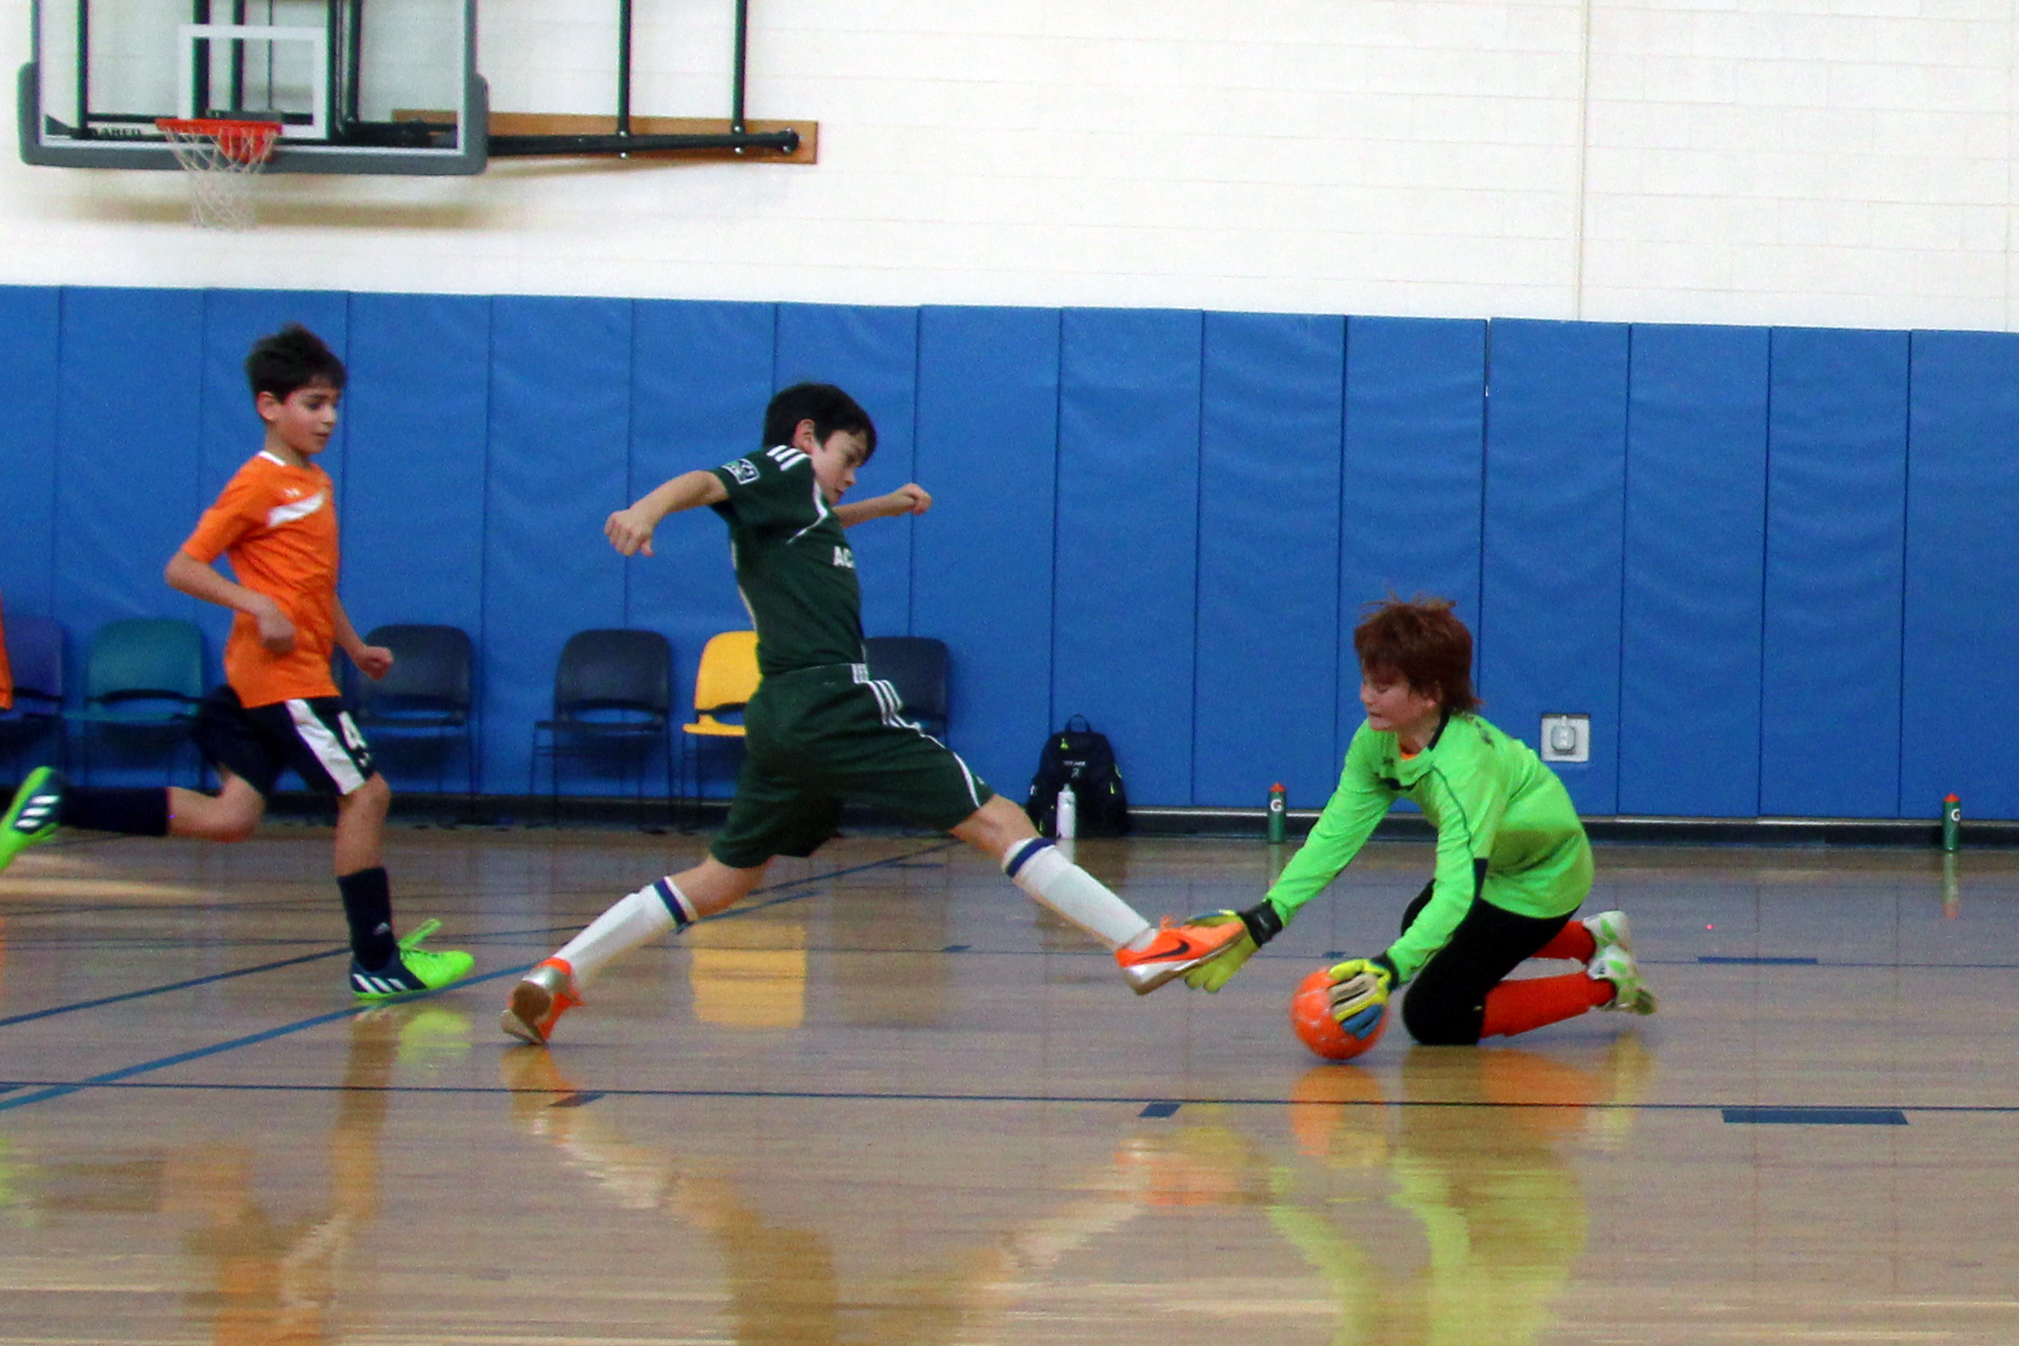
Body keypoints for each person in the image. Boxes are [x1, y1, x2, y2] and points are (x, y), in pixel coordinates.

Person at [500, 382, 1240, 1044]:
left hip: (781, 715)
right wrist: (646, 507)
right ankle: (1141, 943)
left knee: (722, 877)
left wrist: (879, 508)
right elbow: (708, 480)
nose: (852, 474)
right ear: (803, 438)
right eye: (847, 456)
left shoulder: (795, 512)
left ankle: (562, 972)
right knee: (998, 820)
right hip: (831, 700)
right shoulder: (780, 469)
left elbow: (818, 522)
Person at [0, 324, 472, 1001]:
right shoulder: (258, 484)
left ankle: (56, 802)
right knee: (366, 795)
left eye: (335, 403)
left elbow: (312, 585)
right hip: (285, 683)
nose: (329, 417)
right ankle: (376, 960)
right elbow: (183, 568)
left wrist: (352, 644)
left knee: (229, 820)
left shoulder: (315, 483)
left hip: (277, 676)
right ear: (268, 406)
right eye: (314, 403)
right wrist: (256, 604)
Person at [1185, 596, 1656, 1044]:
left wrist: (1389, 971)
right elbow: (1335, 836)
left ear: (1431, 694)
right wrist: (1266, 918)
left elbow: (1456, 891)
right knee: (1420, 922)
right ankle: (1593, 938)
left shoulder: (1464, 770)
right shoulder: (1377, 741)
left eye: (1383, 687)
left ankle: (1611, 984)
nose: (1365, 696)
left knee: (1435, 1017)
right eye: (1366, 680)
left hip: (1544, 878)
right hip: (1496, 867)